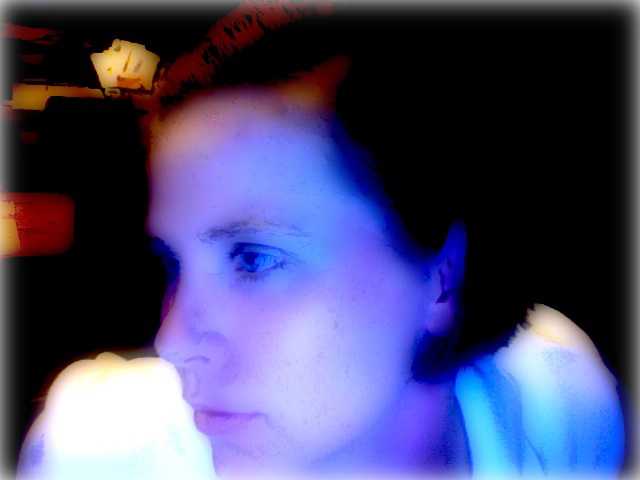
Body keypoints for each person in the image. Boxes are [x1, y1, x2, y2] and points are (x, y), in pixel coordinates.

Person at [18, 13, 624, 479]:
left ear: (441, 275)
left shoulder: (559, 405)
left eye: (255, 260)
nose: (173, 344)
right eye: (174, 265)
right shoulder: (102, 454)